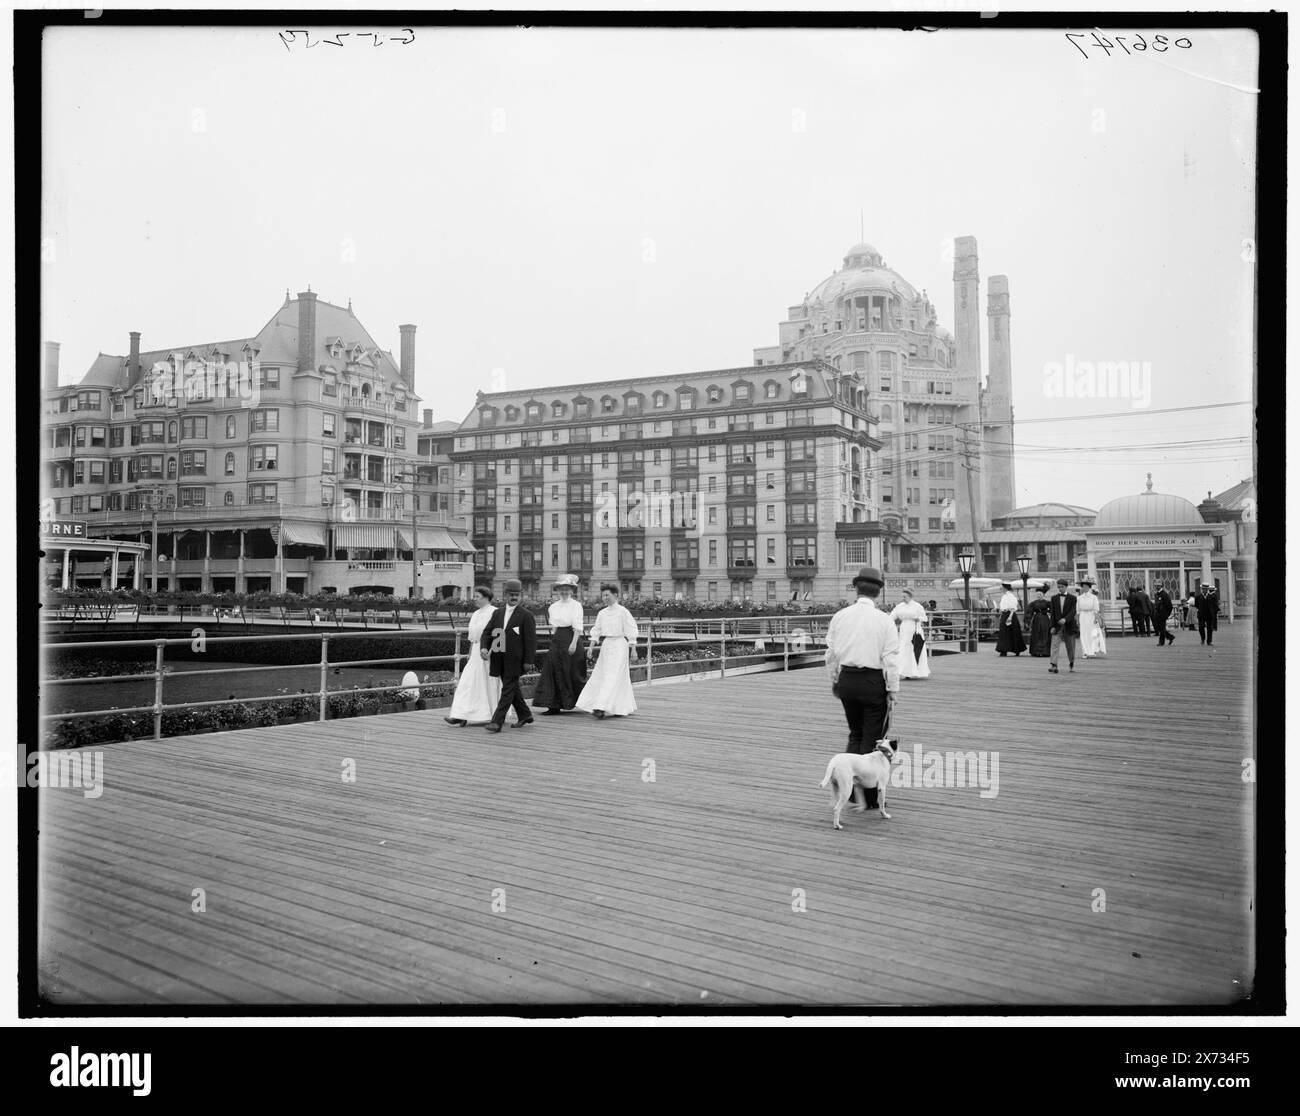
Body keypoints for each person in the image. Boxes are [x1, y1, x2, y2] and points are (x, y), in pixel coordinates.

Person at [825, 567, 900, 760]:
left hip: (847, 679)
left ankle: (849, 782)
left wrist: (835, 680)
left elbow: (831, 655)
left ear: (856, 589)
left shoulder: (840, 616)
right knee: (872, 737)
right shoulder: (885, 620)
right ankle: (867, 787)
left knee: (855, 733)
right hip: (872, 682)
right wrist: (893, 689)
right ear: (878, 592)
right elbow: (890, 658)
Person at [479, 578, 537, 733]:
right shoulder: (497, 613)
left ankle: (497, 721)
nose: (514, 597)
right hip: (499, 658)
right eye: (511, 594)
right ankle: (525, 715)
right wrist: (484, 647)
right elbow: (487, 632)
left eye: (517, 594)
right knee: (511, 688)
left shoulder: (527, 615)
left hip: (516, 660)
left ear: (521, 596)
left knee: (507, 691)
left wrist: (528, 661)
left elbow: (531, 641)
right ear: (505, 595)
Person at [576, 583, 639, 718]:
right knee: (602, 674)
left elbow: (631, 629)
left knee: (613, 675)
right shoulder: (602, 613)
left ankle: (601, 706)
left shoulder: (623, 611)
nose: (605, 598)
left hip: (620, 645)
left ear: (615, 595)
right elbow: (597, 630)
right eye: (603, 595)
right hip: (607, 645)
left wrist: (633, 649)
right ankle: (618, 707)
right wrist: (591, 648)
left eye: (607, 595)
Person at [531, 574, 588, 715]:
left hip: (571, 638)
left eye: (567, 589)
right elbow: (554, 627)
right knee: (553, 670)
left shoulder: (576, 605)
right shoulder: (553, 607)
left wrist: (573, 643)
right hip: (557, 639)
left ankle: (581, 702)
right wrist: (555, 641)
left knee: (572, 671)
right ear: (558, 591)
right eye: (561, 589)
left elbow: (578, 627)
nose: (564, 592)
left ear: (571, 591)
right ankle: (553, 705)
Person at [445, 585, 502, 726]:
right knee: (467, 683)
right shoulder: (476, 614)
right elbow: (473, 637)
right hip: (476, 652)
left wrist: (491, 652)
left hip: (489, 653)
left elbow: (498, 634)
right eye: (474, 597)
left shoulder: (495, 612)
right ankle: (459, 714)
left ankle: (493, 713)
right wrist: (471, 653)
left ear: (486, 597)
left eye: (477, 597)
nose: (475, 599)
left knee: (488, 683)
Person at [889, 588, 931, 679]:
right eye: (902, 597)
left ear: (910, 596)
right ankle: (904, 671)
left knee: (914, 648)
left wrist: (917, 618)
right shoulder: (899, 606)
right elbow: (892, 616)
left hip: (915, 629)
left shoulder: (917, 606)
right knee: (903, 649)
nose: (903, 598)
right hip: (904, 629)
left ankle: (915, 671)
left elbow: (924, 618)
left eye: (905, 597)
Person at [1048, 578, 1079, 673]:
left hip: (1069, 625)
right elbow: (1052, 613)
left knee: (1070, 646)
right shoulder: (1054, 598)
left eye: (1062, 587)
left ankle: (1071, 663)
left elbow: (1073, 611)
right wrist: (1052, 626)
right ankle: (1054, 665)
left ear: (1066, 587)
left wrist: (1065, 619)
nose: (1060, 588)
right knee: (1054, 645)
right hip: (1057, 626)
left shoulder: (1073, 598)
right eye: (1059, 587)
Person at [994, 581, 1026, 657]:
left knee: (1012, 632)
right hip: (1005, 614)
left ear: (1005, 588)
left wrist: (1010, 617)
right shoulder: (1004, 596)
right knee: (1004, 633)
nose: (1001, 589)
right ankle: (1003, 650)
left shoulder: (1011, 596)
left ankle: (1016, 649)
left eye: (1002, 587)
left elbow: (1013, 608)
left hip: (1010, 614)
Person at [1076, 578, 1107, 658]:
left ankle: (1092, 651)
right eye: (1083, 587)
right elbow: (1078, 610)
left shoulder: (1093, 597)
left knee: (1092, 634)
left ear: (1089, 587)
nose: (1084, 588)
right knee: (1083, 634)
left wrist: (1096, 619)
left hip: (1091, 616)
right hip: (1083, 616)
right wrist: (1078, 620)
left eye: (1086, 586)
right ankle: (1085, 652)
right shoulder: (1079, 598)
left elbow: (1096, 609)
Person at [1026, 584, 1053, 657]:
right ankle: (1036, 651)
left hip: (1045, 619)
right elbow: (1029, 612)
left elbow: (1053, 610)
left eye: (1040, 594)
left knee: (1045, 634)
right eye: (1037, 594)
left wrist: (1047, 611)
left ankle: (1045, 651)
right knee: (1036, 634)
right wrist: (1028, 621)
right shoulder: (1033, 603)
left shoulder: (1047, 603)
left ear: (1043, 595)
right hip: (1037, 619)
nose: (1038, 596)